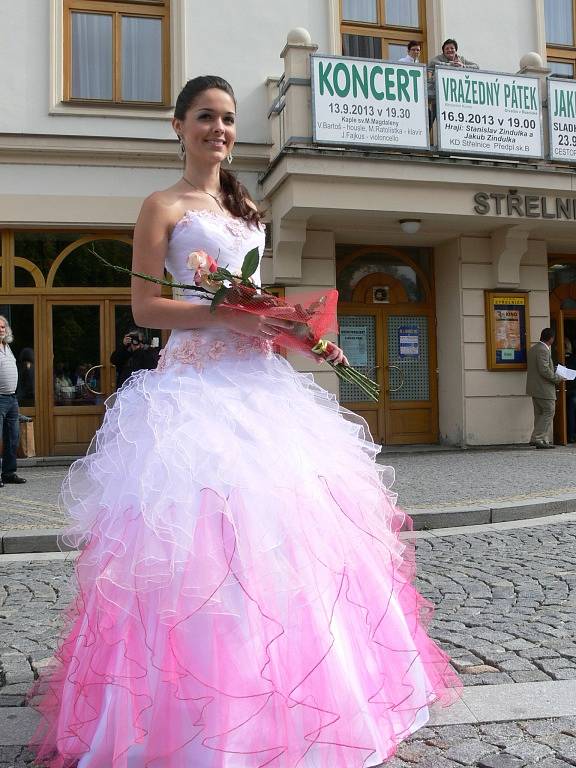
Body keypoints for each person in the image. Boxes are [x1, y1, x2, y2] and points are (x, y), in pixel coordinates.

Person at [30, 75, 459, 768]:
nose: (219, 130)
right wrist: (221, 313)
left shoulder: (249, 209)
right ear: (178, 126)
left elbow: (252, 299)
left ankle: (301, 698)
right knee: (198, 544)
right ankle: (195, 715)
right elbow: (144, 309)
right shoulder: (162, 205)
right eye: (205, 117)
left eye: (227, 119)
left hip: (260, 385)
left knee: (291, 536)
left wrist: (289, 329)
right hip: (196, 390)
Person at [427, 39, 479, 124]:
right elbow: (432, 63)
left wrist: (463, 66)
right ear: (443, 51)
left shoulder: (461, 58)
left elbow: (476, 66)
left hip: (455, 97)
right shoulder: (439, 58)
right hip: (439, 94)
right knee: (434, 117)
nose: (449, 50)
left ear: (456, 50)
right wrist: (449, 65)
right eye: (447, 49)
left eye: (452, 48)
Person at [0, 316, 26, 485]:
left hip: (11, 399)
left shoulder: (7, 346)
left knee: (13, 438)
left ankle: (9, 473)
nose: (1, 329)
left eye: (3, 326)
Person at [526, 328, 562, 449]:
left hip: (535, 388)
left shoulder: (534, 349)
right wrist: (557, 378)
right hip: (543, 389)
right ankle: (537, 438)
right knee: (549, 411)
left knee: (540, 414)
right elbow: (544, 370)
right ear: (551, 338)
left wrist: (554, 368)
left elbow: (541, 367)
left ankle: (542, 439)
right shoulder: (543, 350)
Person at [564, 338, 576, 443]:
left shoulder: (563, 358)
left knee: (570, 413)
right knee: (571, 413)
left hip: (568, 389)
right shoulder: (573, 358)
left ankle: (571, 435)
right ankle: (571, 435)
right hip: (573, 389)